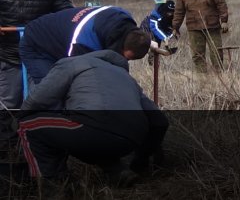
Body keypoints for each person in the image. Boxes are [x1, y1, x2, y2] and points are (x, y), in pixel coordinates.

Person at [17, 47, 168, 188]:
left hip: (95, 128)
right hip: (131, 139)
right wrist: (141, 160)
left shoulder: (74, 63)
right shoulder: (125, 76)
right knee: (88, 133)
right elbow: (160, 122)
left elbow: (39, 99)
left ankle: (52, 186)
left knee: (28, 126)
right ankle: (117, 170)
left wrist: (18, 118)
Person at [0, 0, 73, 115]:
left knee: (40, 99)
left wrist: (51, 30)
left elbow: (67, 16)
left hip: (40, 55)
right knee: (8, 101)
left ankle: (37, 135)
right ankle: (8, 138)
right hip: (9, 56)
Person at [20, 5, 150, 84]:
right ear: (121, 46)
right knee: (53, 92)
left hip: (62, 38)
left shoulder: (123, 18)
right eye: (126, 57)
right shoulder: (83, 42)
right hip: (37, 44)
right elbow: (72, 72)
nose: (125, 60)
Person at [171, 0, 229, 72]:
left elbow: (222, 5)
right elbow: (179, 12)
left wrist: (224, 20)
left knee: (216, 51)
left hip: (212, 26)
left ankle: (219, 73)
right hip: (194, 27)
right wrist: (175, 27)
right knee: (197, 53)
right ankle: (201, 75)